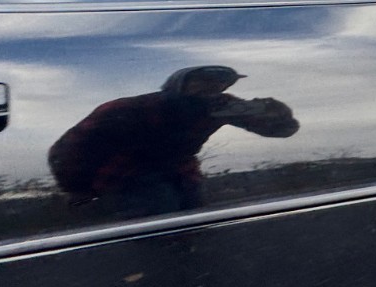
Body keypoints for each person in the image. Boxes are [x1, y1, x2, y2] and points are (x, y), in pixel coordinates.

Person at [49, 65, 298, 212]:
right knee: (159, 209)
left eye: (219, 84)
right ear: (178, 84)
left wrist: (277, 114)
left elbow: (279, 129)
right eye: (203, 82)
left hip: (181, 170)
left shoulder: (221, 105)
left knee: (197, 215)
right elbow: (68, 149)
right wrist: (75, 188)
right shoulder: (126, 108)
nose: (212, 88)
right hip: (128, 174)